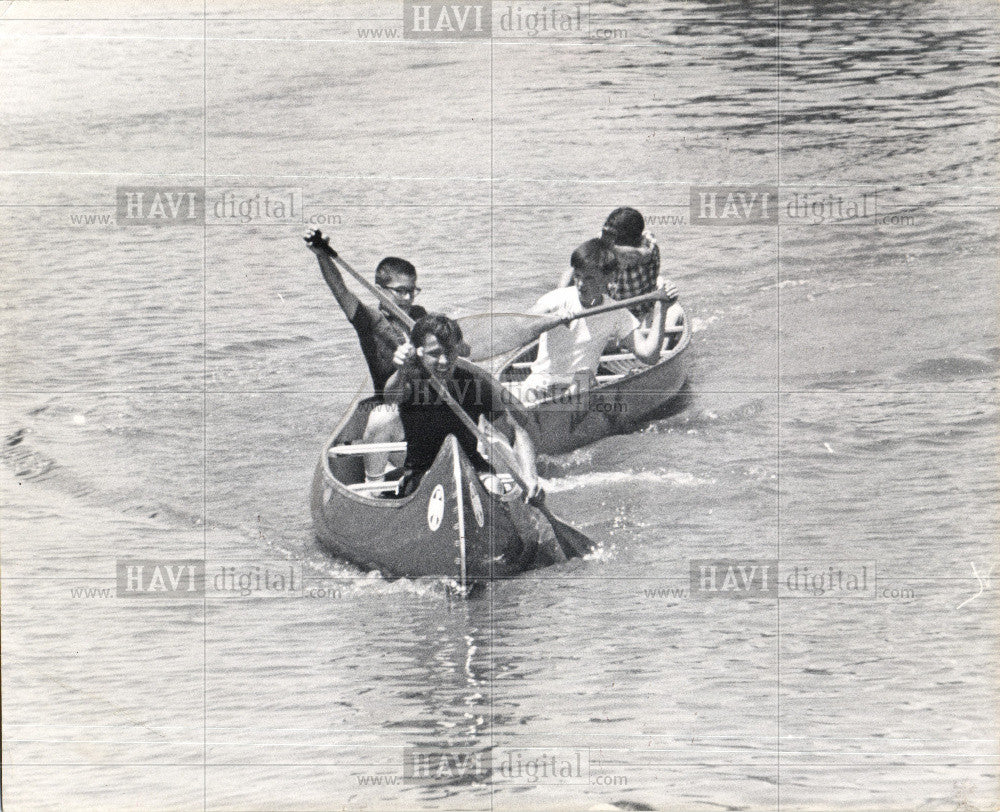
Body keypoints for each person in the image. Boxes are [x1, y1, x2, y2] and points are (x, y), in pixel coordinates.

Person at [306, 231, 426, 479]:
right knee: (383, 416)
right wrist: (323, 256)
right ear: (380, 291)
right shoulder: (370, 320)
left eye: (412, 290)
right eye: (401, 291)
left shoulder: (419, 315)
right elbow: (340, 290)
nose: (407, 298)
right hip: (393, 416)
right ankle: (375, 486)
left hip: (425, 414)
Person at [384, 313, 541, 500]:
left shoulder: (473, 382)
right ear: (419, 352)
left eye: (449, 351)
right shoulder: (410, 380)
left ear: (458, 349)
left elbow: (515, 432)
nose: (443, 361)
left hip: (473, 468)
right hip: (423, 472)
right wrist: (401, 371)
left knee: (495, 486)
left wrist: (530, 478)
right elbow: (390, 399)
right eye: (434, 353)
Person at [516, 239, 674, 404]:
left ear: (609, 277)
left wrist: (660, 309)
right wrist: (549, 320)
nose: (581, 284)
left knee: (584, 375)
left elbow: (649, 355)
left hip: (578, 389)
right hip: (541, 385)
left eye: (590, 278)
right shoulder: (556, 300)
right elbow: (521, 326)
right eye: (578, 276)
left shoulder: (616, 312)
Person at [558, 207, 678, 322]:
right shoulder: (604, 242)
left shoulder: (647, 243)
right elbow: (576, 269)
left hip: (643, 312)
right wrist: (560, 300)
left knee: (674, 314)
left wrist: (609, 247)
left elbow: (639, 255)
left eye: (612, 237)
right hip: (611, 310)